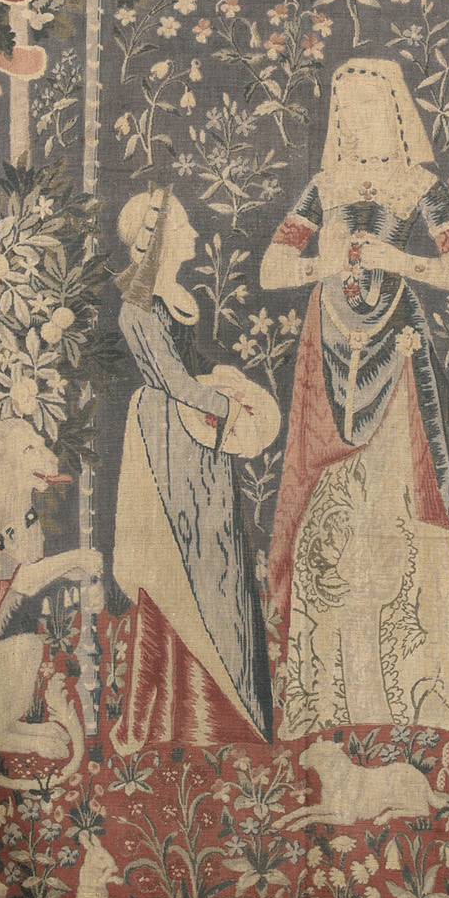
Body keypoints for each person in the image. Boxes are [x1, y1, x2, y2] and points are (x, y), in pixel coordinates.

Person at [260, 58, 449, 738]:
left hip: (396, 353)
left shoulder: (420, 185)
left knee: (393, 507)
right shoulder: (324, 185)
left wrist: (397, 260)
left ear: (396, 112)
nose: (357, 119)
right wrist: (330, 262)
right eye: (348, 108)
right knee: (329, 511)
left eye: (371, 106)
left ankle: (406, 686)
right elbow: (272, 268)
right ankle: (326, 695)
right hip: (328, 350)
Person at [109, 186, 273, 751]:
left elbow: (195, 367)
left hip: (199, 439)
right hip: (168, 440)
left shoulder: (174, 298)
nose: (195, 235)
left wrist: (230, 387)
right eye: (184, 227)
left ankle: (229, 713)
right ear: (157, 239)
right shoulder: (137, 308)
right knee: (181, 565)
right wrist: (233, 407)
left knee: (219, 559)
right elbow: (175, 382)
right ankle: (178, 717)